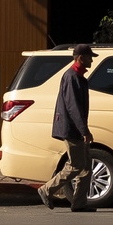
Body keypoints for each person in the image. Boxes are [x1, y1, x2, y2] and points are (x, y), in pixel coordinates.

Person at [44, 44, 97, 212]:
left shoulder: (78, 76)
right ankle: (47, 189)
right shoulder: (72, 77)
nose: (91, 60)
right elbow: (73, 107)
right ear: (80, 58)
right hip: (72, 128)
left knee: (86, 166)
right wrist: (84, 131)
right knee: (76, 165)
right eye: (89, 57)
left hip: (76, 128)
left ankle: (79, 203)